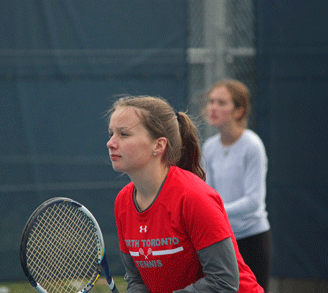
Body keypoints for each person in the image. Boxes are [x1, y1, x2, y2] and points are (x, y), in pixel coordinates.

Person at [106, 95, 264, 293]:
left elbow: (224, 282)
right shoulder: (123, 202)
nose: (111, 143)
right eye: (111, 133)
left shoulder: (192, 196)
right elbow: (138, 281)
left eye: (124, 134)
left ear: (159, 145)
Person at [201, 79, 273, 292]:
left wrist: (214, 212)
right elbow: (210, 194)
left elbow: (253, 202)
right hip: (223, 240)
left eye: (221, 103)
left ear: (239, 111)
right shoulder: (210, 147)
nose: (213, 107)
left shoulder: (252, 145)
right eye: (211, 101)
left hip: (253, 240)